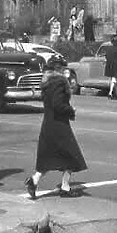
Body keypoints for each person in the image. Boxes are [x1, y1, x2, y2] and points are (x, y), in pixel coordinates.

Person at [24, 55, 87, 199]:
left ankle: (34, 180)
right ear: (58, 68)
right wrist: (71, 110)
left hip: (48, 124)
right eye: (61, 67)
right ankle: (65, 187)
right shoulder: (59, 82)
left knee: (49, 156)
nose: (64, 69)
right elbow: (58, 105)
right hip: (59, 125)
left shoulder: (46, 83)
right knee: (72, 155)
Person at [104, 34, 117, 100]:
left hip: (109, 65)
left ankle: (116, 93)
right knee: (114, 79)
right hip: (116, 65)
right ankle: (110, 93)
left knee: (114, 79)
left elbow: (106, 57)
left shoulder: (108, 48)